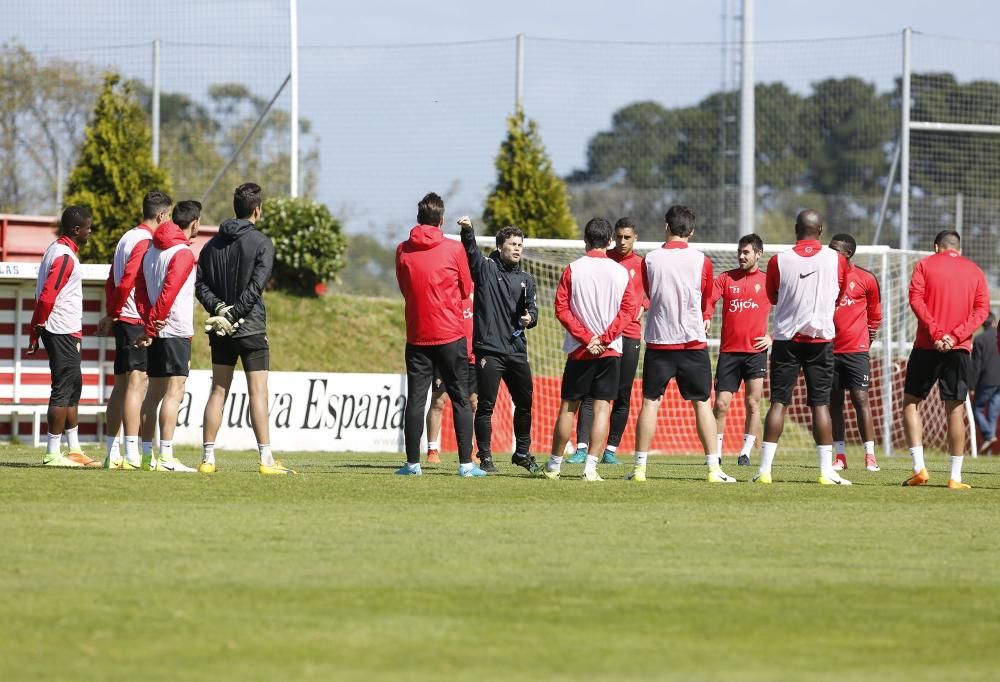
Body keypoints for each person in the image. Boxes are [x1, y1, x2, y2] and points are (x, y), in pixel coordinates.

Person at [195, 182, 294, 475]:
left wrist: (220, 310)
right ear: (257, 210)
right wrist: (235, 314)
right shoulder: (262, 243)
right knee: (258, 393)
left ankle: (207, 460)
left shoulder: (211, 245)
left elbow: (200, 285)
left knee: (218, 390)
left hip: (221, 329)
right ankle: (265, 461)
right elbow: (256, 287)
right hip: (250, 329)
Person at [630, 205, 732, 483]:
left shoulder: (649, 259)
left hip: (659, 342)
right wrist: (705, 316)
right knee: (702, 404)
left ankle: (639, 468)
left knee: (650, 403)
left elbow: (650, 293)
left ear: (666, 227)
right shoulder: (703, 260)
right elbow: (706, 299)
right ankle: (713, 468)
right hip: (691, 343)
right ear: (692, 230)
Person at [752, 209, 849, 485]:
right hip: (820, 341)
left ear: (796, 229)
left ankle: (765, 471)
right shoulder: (837, 259)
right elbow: (839, 294)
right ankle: (826, 471)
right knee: (820, 405)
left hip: (785, 340)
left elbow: (772, 295)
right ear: (821, 230)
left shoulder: (778, 260)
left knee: (778, 403)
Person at [395, 192, 483, 477]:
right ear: (442, 220)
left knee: (417, 400)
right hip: (450, 335)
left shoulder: (402, 250)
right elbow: (466, 289)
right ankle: (466, 466)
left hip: (417, 335)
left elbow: (405, 288)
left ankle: (412, 464)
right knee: (460, 399)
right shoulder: (454, 249)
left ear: (418, 219)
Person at [545, 217, 636, 481]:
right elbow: (629, 311)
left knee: (568, 409)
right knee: (602, 409)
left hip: (580, 350)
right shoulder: (621, 272)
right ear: (609, 241)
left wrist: (587, 338)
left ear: (585, 240)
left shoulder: (573, 269)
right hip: (609, 351)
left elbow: (561, 309)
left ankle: (553, 466)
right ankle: (591, 469)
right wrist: (605, 338)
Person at [902, 230, 989, 489]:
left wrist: (937, 333)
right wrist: (955, 336)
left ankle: (919, 469)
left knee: (911, 404)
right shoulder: (974, 271)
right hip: (959, 348)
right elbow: (982, 310)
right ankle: (955, 477)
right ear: (958, 249)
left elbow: (915, 300)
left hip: (927, 346)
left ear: (935, 247)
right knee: (955, 408)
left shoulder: (924, 265)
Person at [97, 190, 173, 470]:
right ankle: (130, 454)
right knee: (137, 384)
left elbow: (110, 279)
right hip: (133, 319)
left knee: (120, 386)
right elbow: (128, 279)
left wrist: (111, 312)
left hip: (122, 319)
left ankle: (111, 452)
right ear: (162, 215)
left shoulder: (125, 238)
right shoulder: (143, 240)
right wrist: (117, 312)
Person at [459, 216, 539, 474]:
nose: (517, 248)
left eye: (520, 244)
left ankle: (522, 452)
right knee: (486, 405)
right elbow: (471, 253)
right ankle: (485, 456)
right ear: (500, 246)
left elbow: (532, 309)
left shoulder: (527, 278)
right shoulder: (487, 269)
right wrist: (468, 232)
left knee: (525, 402)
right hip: (490, 350)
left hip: (516, 350)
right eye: (513, 244)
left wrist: (531, 318)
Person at [568, 218, 646, 466]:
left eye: (628, 237)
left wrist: (644, 305)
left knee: (622, 394)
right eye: (619, 237)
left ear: (635, 238)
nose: (623, 242)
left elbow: (654, 294)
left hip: (629, 334)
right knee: (590, 394)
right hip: (600, 337)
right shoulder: (602, 259)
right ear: (612, 237)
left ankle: (610, 450)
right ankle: (582, 448)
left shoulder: (643, 265)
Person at [134, 201, 202, 472]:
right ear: (195, 222)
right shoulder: (182, 253)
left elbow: (139, 286)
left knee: (153, 394)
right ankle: (166, 458)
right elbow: (170, 293)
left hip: (158, 329)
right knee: (175, 393)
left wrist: (147, 320)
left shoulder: (152, 249)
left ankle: (147, 456)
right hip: (175, 330)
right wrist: (152, 325)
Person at [28, 205, 98, 467]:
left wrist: (36, 330)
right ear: (76, 229)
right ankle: (52, 453)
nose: (91, 231)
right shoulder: (64, 256)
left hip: (63, 329)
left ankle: (74, 449)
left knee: (73, 387)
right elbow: (46, 297)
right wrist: (36, 329)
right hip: (60, 330)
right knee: (62, 389)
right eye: (88, 227)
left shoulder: (56, 250)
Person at [703, 233, 771, 468]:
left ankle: (745, 453)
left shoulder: (768, 281)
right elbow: (709, 300)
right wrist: (707, 317)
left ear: (758, 254)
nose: (741, 256)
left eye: (746, 252)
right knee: (721, 403)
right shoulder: (726, 278)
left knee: (753, 403)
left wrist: (772, 337)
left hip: (756, 352)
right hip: (729, 353)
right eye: (740, 252)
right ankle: (716, 453)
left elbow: (788, 307)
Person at [827, 233, 883, 472]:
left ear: (847, 254)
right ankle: (840, 456)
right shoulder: (823, 278)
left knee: (860, 399)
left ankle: (870, 456)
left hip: (856, 351)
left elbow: (875, 315)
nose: (829, 253)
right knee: (834, 403)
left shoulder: (865, 278)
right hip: (828, 349)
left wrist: (866, 339)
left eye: (835, 250)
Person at [425, 294, 478, 465]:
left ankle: (470, 450)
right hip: (447, 352)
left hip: (472, 355)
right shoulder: (447, 286)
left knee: (473, 403)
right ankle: (432, 449)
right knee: (439, 401)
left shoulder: (479, 286)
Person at [971, 313, 1000, 453]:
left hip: (987, 381)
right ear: (994, 322)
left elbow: (977, 365)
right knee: (993, 412)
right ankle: (990, 436)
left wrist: (972, 385)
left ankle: (989, 435)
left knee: (976, 408)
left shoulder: (979, 340)